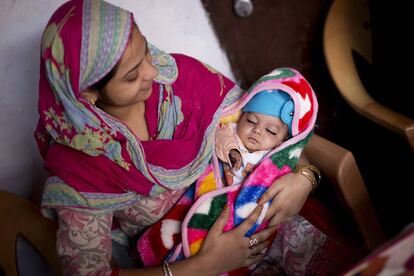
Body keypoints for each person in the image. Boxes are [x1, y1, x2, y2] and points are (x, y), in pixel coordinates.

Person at [35, 0, 351, 275]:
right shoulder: (80, 171)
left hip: (260, 221)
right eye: (131, 75)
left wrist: (304, 178)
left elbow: (274, 132)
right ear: (87, 93)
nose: (152, 72)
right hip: (183, 257)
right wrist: (207, 265)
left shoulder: (186, 81)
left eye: (145, 50)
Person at [215, 89, 295, 186]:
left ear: (282, 140)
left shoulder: (274, 154)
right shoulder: (231, 130)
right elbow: (219, 137)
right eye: (251, 121)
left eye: (270, 131)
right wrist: (231, 150)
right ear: (241, 117)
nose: (257, 130)